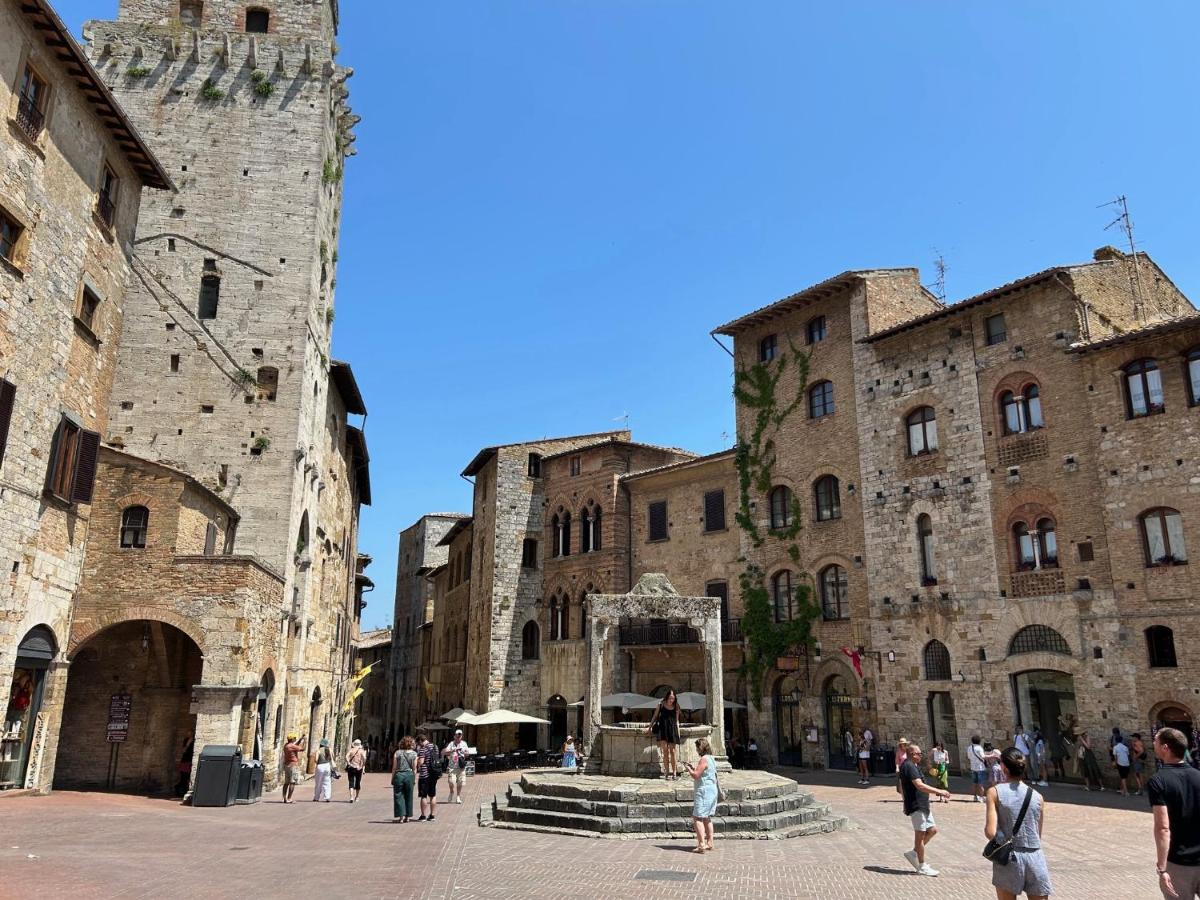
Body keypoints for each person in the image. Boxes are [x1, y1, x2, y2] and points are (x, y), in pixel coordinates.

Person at [985, 747, 1052, 900]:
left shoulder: (994, 792)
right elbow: (1037, 833)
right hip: (1035, 856)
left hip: (1009, 857)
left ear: (1003, 767)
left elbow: (990, 831)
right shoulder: (1037, 796)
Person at [1149, 727, 1200, 899]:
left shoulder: (1158, 781)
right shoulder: (1198, 776)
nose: (1153, 744)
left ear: (1165, 747)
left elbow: (1163, 828)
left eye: (1155, 741)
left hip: (1179, 862)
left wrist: (1162, 868)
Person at [898, 743, 950, 876]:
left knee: (932, 830)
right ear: (912, 754)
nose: (921, 755)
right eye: (919, 753)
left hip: (923, 805)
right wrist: (939, 791)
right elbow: (919, 785)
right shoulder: (909, 766)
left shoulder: (913, 766)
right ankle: (921, 865)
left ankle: (914, 853)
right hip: (917, 805)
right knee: (920, 835)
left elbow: (901, 787)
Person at [685, 737, 719, 853]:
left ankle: (701, 845)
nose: (696, 750)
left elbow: (696, 775)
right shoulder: (711, 758)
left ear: (700, 748)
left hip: (704, 791)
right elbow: (705, 773)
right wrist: (694, 768)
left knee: (697, 817)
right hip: (712, 790)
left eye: (697, 747)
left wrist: (689, 769)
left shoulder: (703, 759)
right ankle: (710, 842)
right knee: (707, 817)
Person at [645, 689, 682, 780]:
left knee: (673, 752)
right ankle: (666, 772)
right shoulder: (660, 704)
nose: (671, 700)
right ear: (667, 697)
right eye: (670, 698)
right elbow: (654, 716)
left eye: (673, 698)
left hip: (672, 729)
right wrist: (649, 728)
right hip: (663, 729)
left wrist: (678, 732)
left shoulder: (676, 706)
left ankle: (674, 772)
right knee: (665, 751)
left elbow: (677, 720)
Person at [391, 736, 417, 823]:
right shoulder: (414, 754)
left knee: (398, 795)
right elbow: (414, 768)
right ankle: (408, 816)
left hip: (399, 774)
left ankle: (401, 817)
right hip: (409, 775)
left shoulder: (397, 753)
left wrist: (393, 777)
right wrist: (414, 778)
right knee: (409, 796)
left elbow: (394, 767)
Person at [415, 731, 440, 821]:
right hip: (434, 774)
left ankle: (423, 815)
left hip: (425, 775)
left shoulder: (423, 749)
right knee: (433, 795)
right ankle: (432, 815)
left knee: (424, 795)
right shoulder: (435, 747)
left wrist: (417, 762)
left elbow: (421, 762)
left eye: (418, 743)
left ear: (421, 741)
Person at [443, 728, 470, 804]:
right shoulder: (451, 744)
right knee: (451, 782)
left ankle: (458, 796)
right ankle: (451, 792)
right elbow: (445, 752)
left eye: (460, 735)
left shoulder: (464, 743)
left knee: (460, 782)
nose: (458, 736)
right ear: (454, 736)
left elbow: (467, 754)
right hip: (452, 766)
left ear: (461, 736)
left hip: (461, 767)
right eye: (457, 735)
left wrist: (465, 752)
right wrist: (452, 750)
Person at [281, 733, 305, 804]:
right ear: (292, 739)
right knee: (292, 782)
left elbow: (295, 746)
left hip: (287, 765)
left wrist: (300, 739)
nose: (295, 739)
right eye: (294, 738)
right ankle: (289, 798)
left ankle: (284, 797)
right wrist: (305, 741)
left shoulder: (286, 745)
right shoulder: (291, 746)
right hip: (293, 765)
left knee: (286, 782)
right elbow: (303, 749)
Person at [969, 735, 990, 802]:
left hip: (973, 767)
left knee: (974, 783)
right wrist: (992, 755)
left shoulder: (969, 748)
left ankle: (975, 797)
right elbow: (983, 756)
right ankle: (981, 797)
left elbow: (969, 757)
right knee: (981, 784)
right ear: (979, 741)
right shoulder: (979, 748)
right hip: (980, 768)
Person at [344, 738, 366, 803]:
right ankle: (357, 797)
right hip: (359, 768)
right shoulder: (362, 751)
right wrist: (363, 765)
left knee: (351, 782)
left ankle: (351, 797)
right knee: (358, 782)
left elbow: (346, 756)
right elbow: (364, 758)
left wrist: (348, 762)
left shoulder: (351, 750)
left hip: (351, 767)